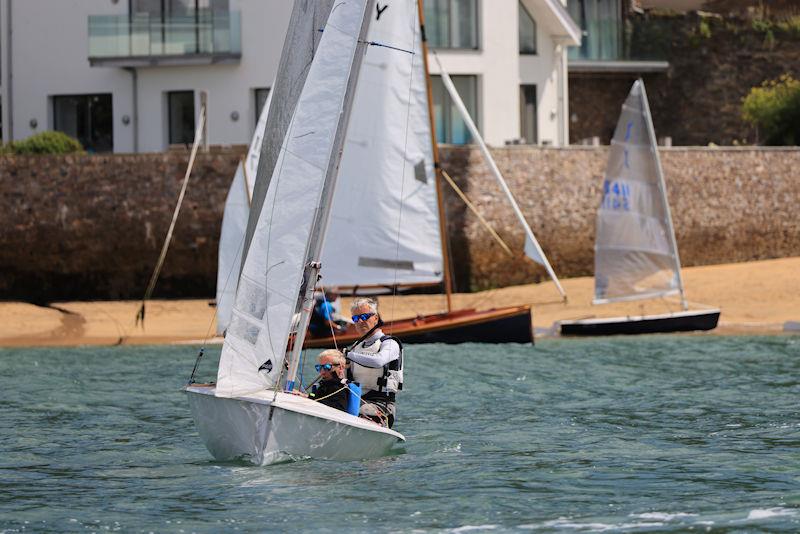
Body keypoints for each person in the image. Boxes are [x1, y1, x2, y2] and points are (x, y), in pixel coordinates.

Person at [345, 297, 403, 428]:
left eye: (365, 316)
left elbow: (379, 361)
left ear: (376, 318)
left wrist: (348, 355)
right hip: (355, 400)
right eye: (355, 319)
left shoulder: (390, 343)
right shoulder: (355, 347)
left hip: (381, 405)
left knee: (361, 412)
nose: (360, 321)